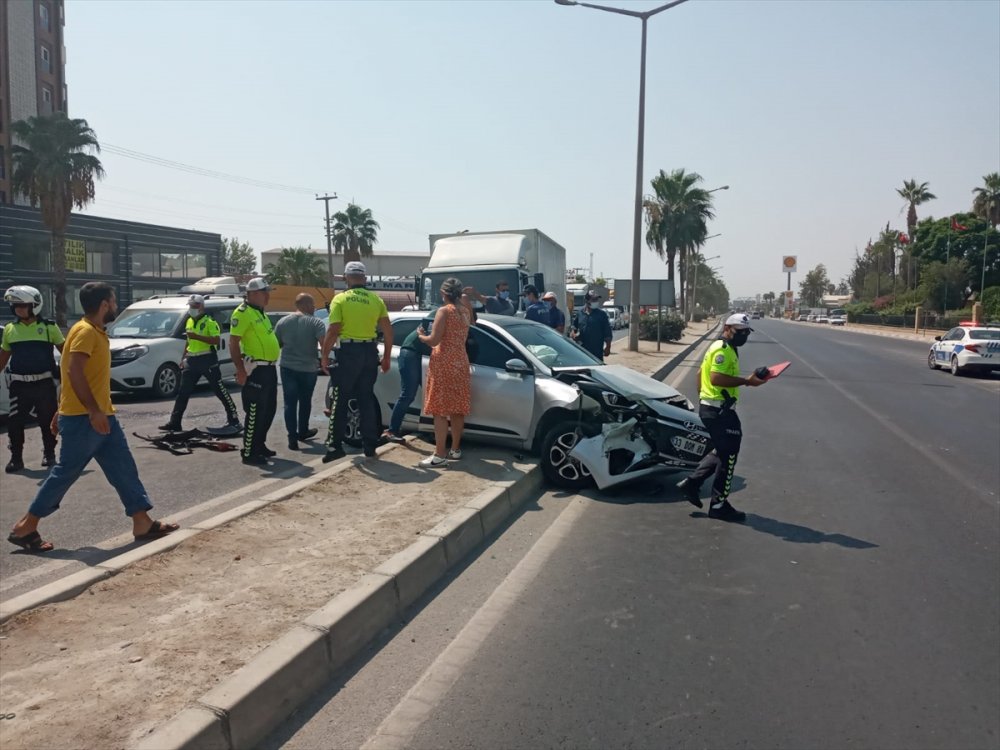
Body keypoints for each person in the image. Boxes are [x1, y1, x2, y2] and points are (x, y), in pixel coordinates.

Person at [7, 282, 178, 552]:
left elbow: (68, 373)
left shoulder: (90, 330)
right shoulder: (86, 332)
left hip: (98, 416)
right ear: (104, 305)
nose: (116, 306)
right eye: (113, 301)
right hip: (86, 419)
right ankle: (26, 527)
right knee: (65, 473)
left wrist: (59, 411)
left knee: (123, 468)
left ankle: (141, 521)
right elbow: (74, 371)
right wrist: (91, 411)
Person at [676, 313, 766, 522]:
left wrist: (703, 399)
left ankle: (692, 483)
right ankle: (718, 505)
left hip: (714, 408)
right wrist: (747, 381)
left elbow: (700, 373)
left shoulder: (724, 347)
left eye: (746, 332)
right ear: (727, 328)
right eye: (739, 331)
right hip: (719, 412)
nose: (743, 336)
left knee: (721, 450)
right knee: (729, 455)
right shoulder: (723, 350)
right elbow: (715, 378)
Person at [321, 261, 393, 462]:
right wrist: (386, 357)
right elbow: (388, 331)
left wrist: (325, 355)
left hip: (349, 351)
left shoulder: (340, 299)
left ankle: (335, 446)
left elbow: (333, 329)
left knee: (340, 399)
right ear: (365, 278)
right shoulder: (375, 300)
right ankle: (370, 445)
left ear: (346, 278)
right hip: (369, 352)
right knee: (366, 398)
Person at [1, 285, 64, 472]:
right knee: (15, 423)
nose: (18, 309)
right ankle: (16, 459)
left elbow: (67, 353)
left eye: (23, 305)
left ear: (35, 305)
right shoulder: (10, 329)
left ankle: (50, 455)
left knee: (46, 421)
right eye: (15, 306)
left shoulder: (49, 328)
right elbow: (3, 356)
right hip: (19, 385)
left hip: (44, 384)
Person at [159, 294, 240, 433]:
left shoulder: (210, 321)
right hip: (192, 360)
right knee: (183, 392)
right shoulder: (189, 321)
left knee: (219, 390)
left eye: (195, 306)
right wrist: (183, 357)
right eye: (190, 306)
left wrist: (197, 337)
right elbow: (189, 341)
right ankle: (175, 422)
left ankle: (234, 420)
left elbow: (215, 340)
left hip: (207, 359)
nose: (192, 308)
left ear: (201, 306)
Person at [417, 278, 473, 468]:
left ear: (444, 293)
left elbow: (434, 340)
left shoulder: (444, 311)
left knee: (439, 411)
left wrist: (421, 336)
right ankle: (455, 449)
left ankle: (439, 455)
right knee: (457, 409)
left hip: (444, 363)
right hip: (461, 362)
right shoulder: (465, 311)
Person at [229, 278, 280, 466]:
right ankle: (249, 451)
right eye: (265, 292)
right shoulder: (242, 313)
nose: (268, 296)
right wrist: (240, 370)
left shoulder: (260, 313)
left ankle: (259, 444)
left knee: (269, 410)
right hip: (256, 369)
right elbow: (234, 342)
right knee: (255, 411)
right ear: (253, 294)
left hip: (269, 368)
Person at [274, 293, 327, 450]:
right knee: (305, 401)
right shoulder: (316, 323)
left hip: (287, 367)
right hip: (308, 368)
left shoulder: (282, 322)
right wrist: (325, 361)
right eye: (312, 305)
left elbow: (276, 344)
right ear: (306, 305)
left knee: (289, 403)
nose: (314, 308)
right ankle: (302, 431)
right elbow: (323, 345)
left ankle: (292, 438)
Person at [381, 316, 431, 444]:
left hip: (417, 354)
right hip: (411, 354)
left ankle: (432, 428)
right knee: (408, 394)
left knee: (429, 393)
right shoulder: (442, 313)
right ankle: (392, 431)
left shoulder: (445, 312)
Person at [572, 290, 612, 360]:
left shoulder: (602, 315)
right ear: (587, 301)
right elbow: (573, 328)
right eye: (593, 300)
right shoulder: (580, 313)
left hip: (597, 353)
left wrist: (608, 347)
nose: (596, 301)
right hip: (582, 352)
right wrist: (574, 335)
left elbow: (607, 333)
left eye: (597, 299)